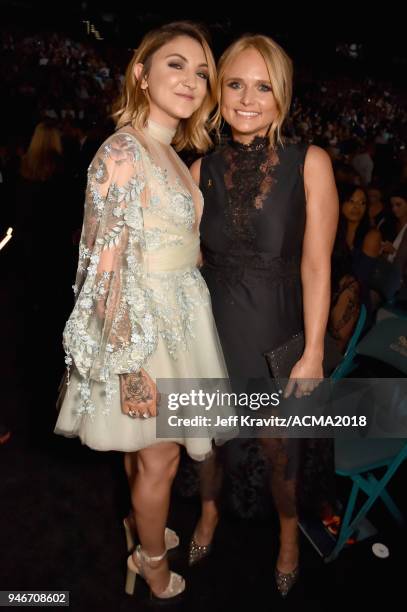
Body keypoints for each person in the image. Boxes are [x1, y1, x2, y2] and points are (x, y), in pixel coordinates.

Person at [54, 21, 226, 602]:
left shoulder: (169, 151)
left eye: (202, 71)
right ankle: (151, 562)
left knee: (145, 452)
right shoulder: (123, 150)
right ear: (141, 72)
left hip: (178, 316)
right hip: (143, 328)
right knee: (162, 460)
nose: (192, 80)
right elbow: (104, 270)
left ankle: (139, 524)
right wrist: (129, 365)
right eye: (175, 64)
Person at [189, 34, 338, 597]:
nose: (247, 99)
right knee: (211, 440)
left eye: (264, 86)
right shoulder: (199, 168)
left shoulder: (310, 163)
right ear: (219, 90)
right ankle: (207, 515)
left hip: (278, 334)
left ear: (283, 96)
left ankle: (288, 536)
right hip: (211, 332)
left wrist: (314, 351)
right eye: (235, 84)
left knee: (281, 452)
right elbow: (190, 263)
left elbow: (317, 266)